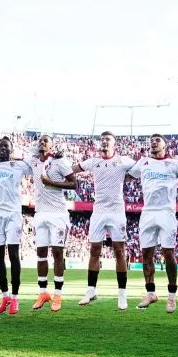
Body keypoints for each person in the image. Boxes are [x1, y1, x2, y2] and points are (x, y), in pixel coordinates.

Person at [69, 131, 136, 309]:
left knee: (119, 251)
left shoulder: (124, 161)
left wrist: (127, 177)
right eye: (102, 140)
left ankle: (122, 295)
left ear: (115, 145)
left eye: (108, 140)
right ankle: (91, 290)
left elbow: (139, 170)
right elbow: (71, 169)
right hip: (98, 211)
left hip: (116, 211)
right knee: (94, 251)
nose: (104, 142)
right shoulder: (93, 162)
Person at [131, 134, 178, 313]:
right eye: (151, 141)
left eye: (157, 140)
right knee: (146, 254)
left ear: (165, 145)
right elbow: (126, 176)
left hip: (166, 212)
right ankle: (151, 293)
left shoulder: (175, 164)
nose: (153, 143)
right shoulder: (142, 162)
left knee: (168, 252)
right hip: (148, 212)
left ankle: (172, 296)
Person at [0, 137, 33, 314]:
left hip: (13, 213)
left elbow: (33, 161)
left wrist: (17, 158)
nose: (3, 149)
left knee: (13, 253)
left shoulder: (18, 166)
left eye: (6, 147)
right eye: (0, 147)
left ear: (11, 150)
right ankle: (4, 296)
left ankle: (15, 297)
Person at [30, 135, 75, 312]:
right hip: (40, 213)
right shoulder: (33, 161)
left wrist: (52, 183)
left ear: (52, 146)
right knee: (41, 253)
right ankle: (43, 293)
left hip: (58, 214)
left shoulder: (60, 161)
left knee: (57, 253)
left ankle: (57, 294)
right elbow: (16, 158)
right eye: (40, 141)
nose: (42, 143)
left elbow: (74, 183)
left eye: (45, 141)